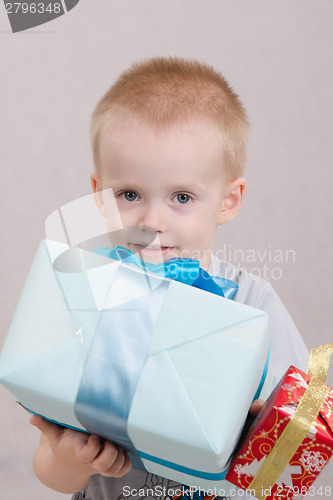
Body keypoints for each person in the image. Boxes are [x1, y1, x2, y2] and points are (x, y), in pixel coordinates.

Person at [30, 57, 309, 500]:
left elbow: (294, 456)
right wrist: (69, 457)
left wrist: (262, 439)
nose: (153, 219)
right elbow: (51, 471)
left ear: (228, 200)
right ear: (100, 195)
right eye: (129, 194)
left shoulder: (253, 303)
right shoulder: (91, 296)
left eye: (182, 197)